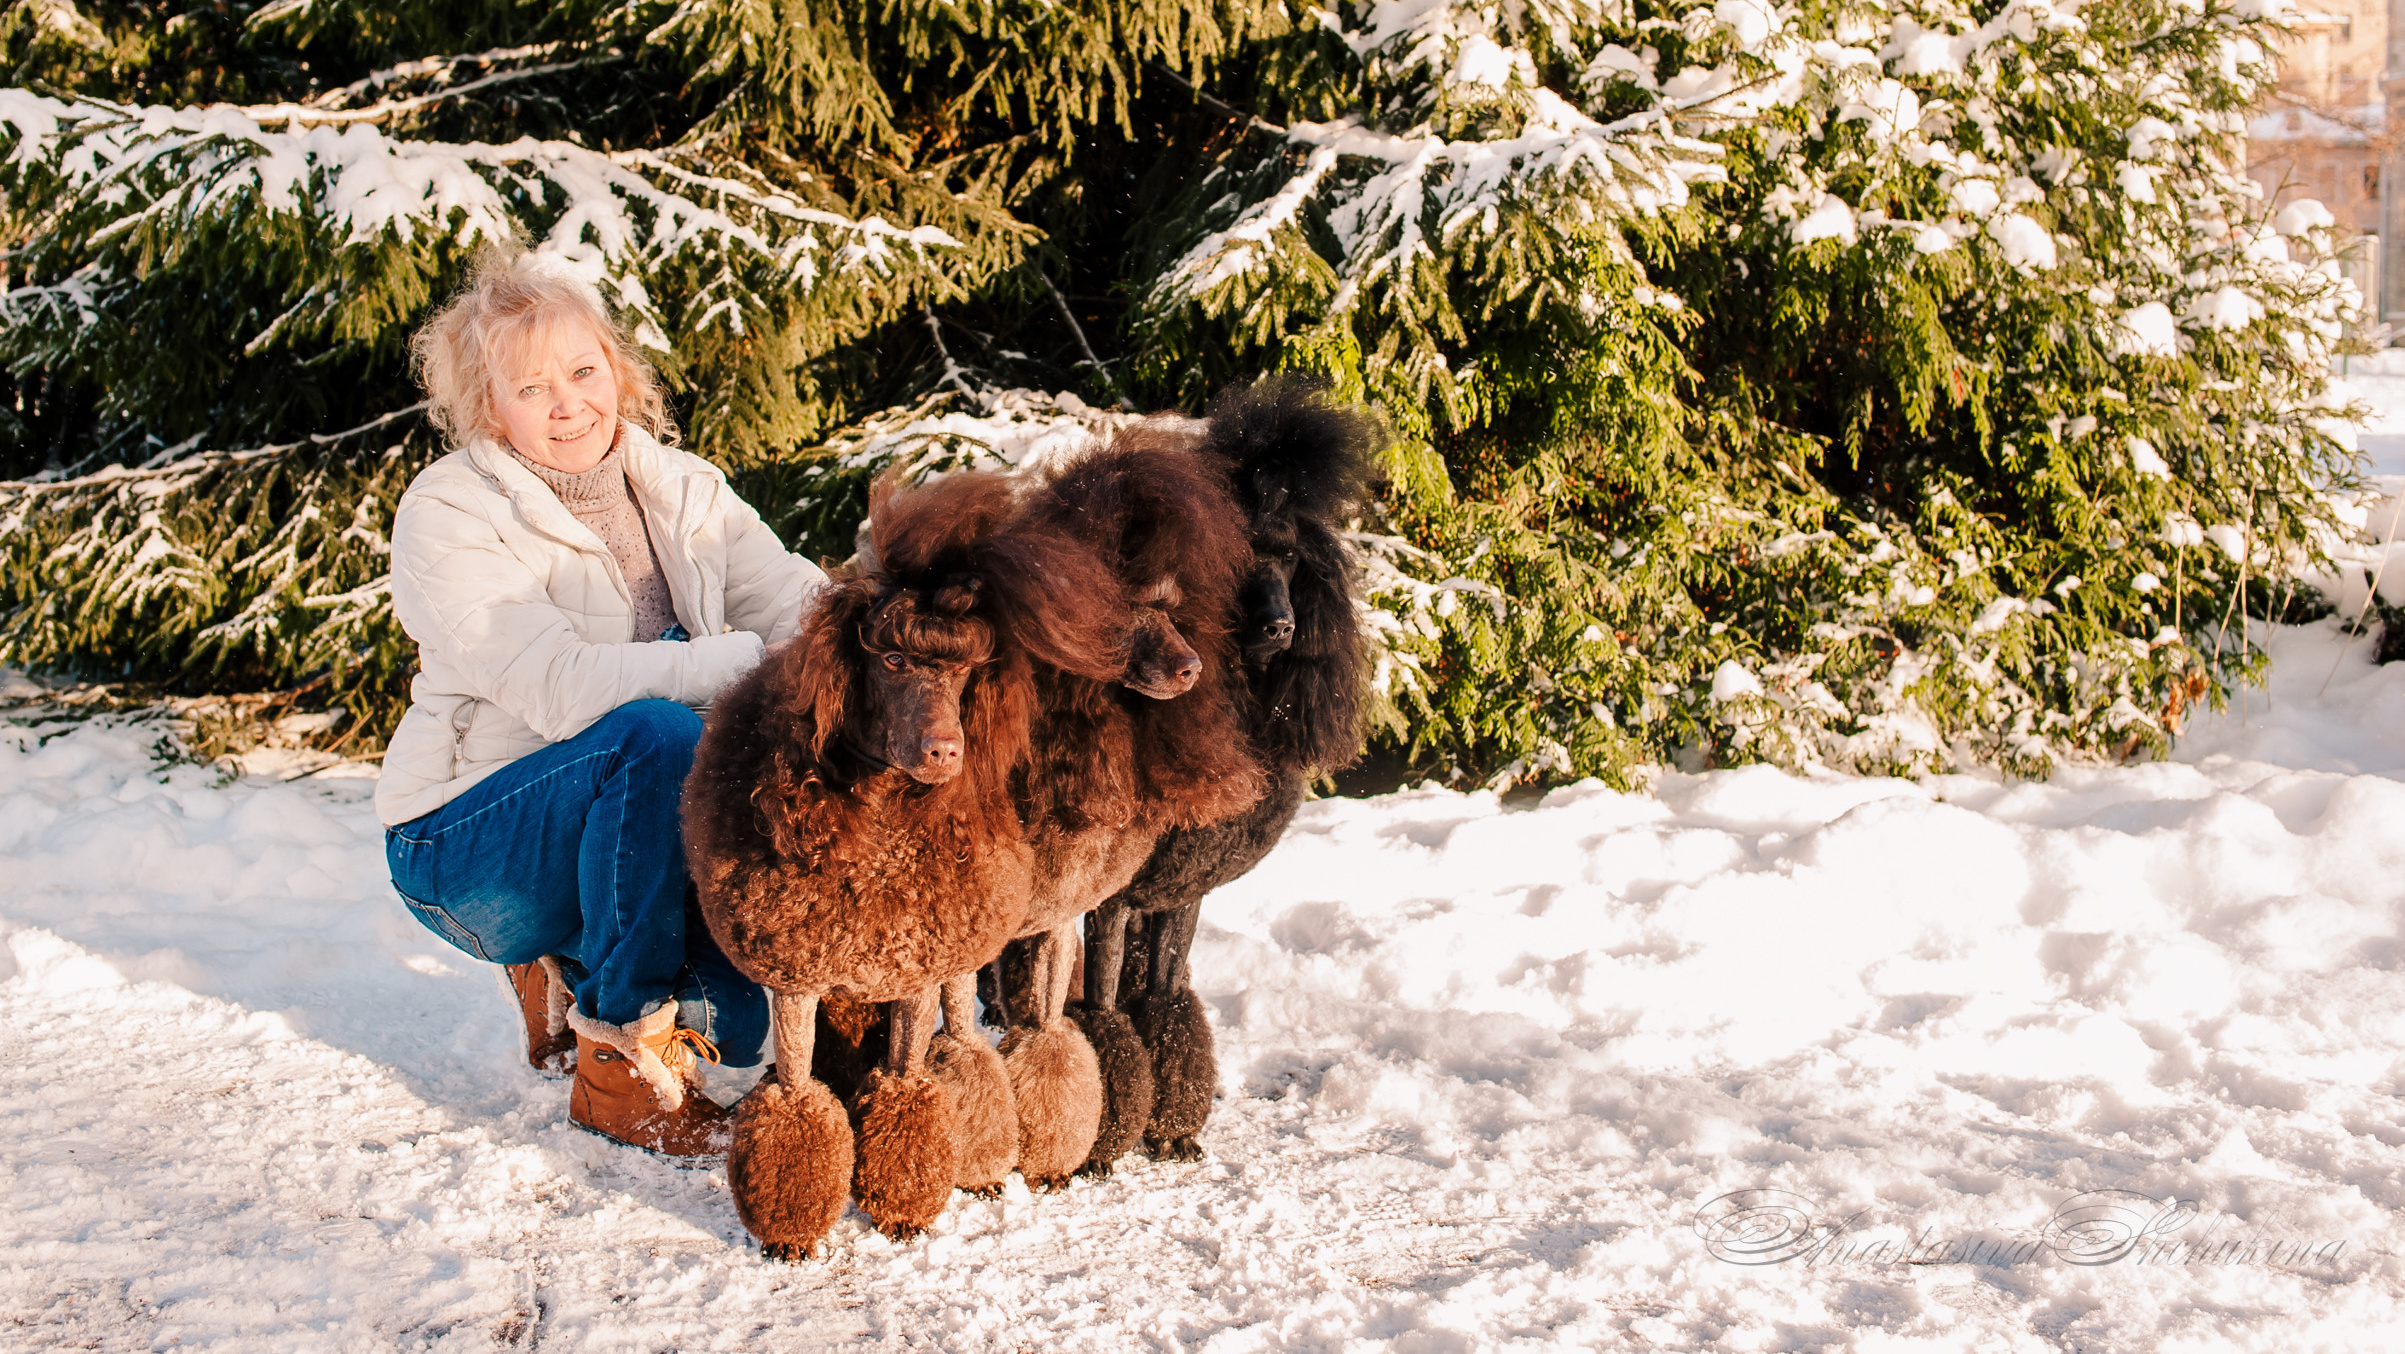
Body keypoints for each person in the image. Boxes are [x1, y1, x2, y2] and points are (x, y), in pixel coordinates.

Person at [376, 252, 824, 1157]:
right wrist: (734, 662)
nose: (568, 403)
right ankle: (616, 1069)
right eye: (530, 387)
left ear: (616, 370)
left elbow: (797, 606)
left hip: (641, 824)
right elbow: (557, 686)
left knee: (733, 1025)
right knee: (654, 731)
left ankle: (574, 971)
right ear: (487, 406)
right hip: (470, 841)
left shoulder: (685, 488)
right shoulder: (452, 510)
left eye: (583, 372)